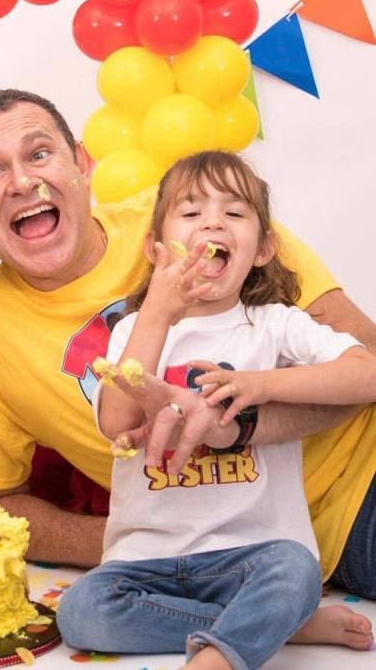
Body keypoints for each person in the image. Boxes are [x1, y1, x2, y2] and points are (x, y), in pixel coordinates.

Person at [0, 89, 376, 619]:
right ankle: (278, 622)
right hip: (278, 547)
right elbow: (1, 501)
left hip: (363, 470)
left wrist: (241, 423)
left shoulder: (198, 210)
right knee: (84, 616)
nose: (21, 181)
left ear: (82, 164)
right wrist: (166, 548)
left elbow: (369, 361)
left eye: (39, 154)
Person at [55, 151, 376, 669]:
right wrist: (157, 312)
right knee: (82, 613)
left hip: (255, 554)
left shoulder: (275, 325)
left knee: (295, 570)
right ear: (156, 249)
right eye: (190, 211)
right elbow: (116, 422)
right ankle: (273, 626)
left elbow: (368, 373)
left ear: (264, 247)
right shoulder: (130, 332)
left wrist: (262, 385)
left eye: (234, 212)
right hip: (145, 558)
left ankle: (219, 658)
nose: (211, 221)